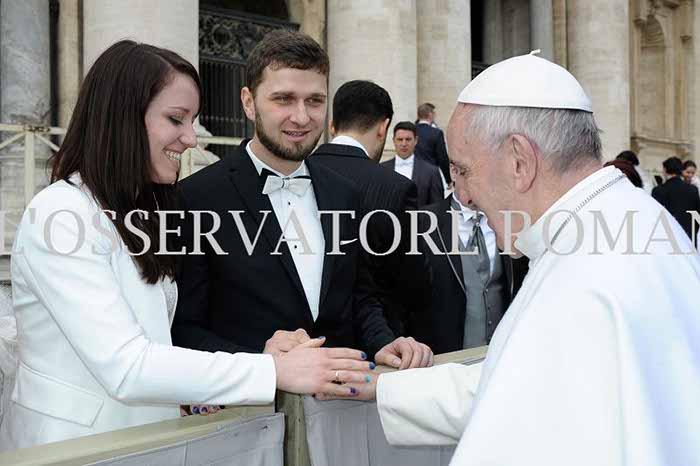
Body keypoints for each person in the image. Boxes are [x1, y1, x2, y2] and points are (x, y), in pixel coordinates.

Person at [325, 53, 700, 465]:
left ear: (519, 161)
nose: (465, 196)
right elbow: (525, 386)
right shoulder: (625, 222)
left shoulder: (585, 276)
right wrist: (383, 388)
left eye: (464, 170)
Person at [0, 40, 371, 450]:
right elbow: (127, 366)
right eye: (176, 119)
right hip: (71, 448)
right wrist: (271, 369)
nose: (191, 138)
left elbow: (164, 340)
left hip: (148, 443)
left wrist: (264, 353)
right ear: (122, 118)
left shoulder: (139, 211)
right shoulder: (58, 214)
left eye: (191, 120)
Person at [172, 31, 431, 369]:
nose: (302, 117)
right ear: (249, 102)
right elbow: (184, 329)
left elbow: (359, 298)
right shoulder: (195, 197)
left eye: (315, 101)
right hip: (251, 400)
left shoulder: (344, 193)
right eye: (283, 99)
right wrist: (261, 363)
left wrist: (383, 341)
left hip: (340, 394)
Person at [311, 80, 429, 337]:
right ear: (383, 127)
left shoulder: (299, 173)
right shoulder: (397, 188)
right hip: (379, 338)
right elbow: (413, 278)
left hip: (303, 340)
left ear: (332, 125)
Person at [407, 187, 528, 354]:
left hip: (501, 353)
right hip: (447, 355)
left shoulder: (510, 218)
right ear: (453, 173)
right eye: (468, 174)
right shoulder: (423, 221)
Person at [382, 121, 444, 206]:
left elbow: (438, 206)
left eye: (408, 139)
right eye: (400, 139)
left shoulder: (431, 172)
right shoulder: (382, 169)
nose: (404, 144)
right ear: (394, 141)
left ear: (415, 140)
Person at [652, 157, 700, 243]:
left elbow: (655, 216)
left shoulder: (658, 190)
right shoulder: (693, 189)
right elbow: (697, 214)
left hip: (667, 238)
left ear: (665, 169)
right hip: (689, 237)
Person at [415, 103, 451, 185]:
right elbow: (442, 157)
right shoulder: (436, 133)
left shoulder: (412, 131)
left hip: (413, 173)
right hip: (431, 175)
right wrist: (448, 179)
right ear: (430, 114)